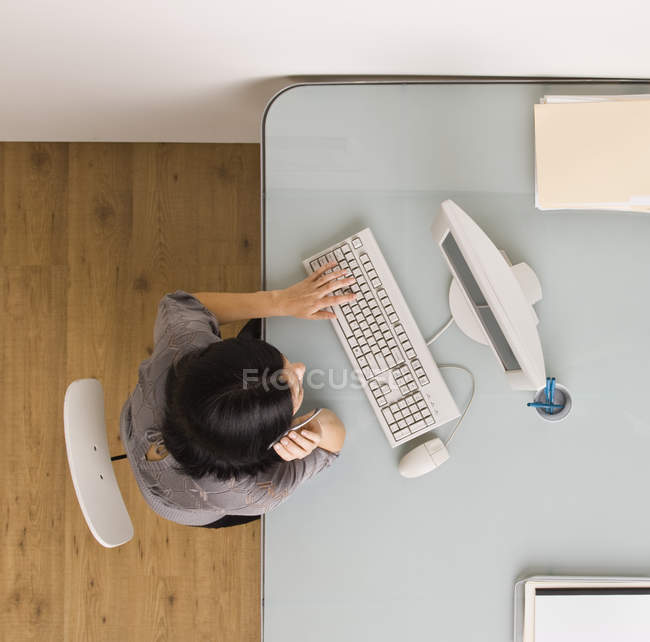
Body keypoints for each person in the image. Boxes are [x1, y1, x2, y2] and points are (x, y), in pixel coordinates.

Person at [120, 261, 356, 529]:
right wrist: (316, 429)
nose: (300, 369)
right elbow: (332, 442)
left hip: (136, 429)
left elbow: (185, 304)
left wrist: (281, 301)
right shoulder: (251, 492)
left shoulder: (181, 343)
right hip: (182, 504)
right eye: (295, 386)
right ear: (267, 443)